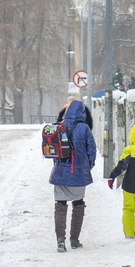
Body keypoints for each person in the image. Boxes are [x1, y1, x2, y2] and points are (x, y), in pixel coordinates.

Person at [49, 99, 96, 252]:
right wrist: (87, 167)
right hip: (78, 173)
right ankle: (74, 240)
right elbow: (92, 151)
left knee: (60, 205)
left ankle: (60, 240)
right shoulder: (84, 128)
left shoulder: (59, 126)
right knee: (78, 204)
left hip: (60, 172)